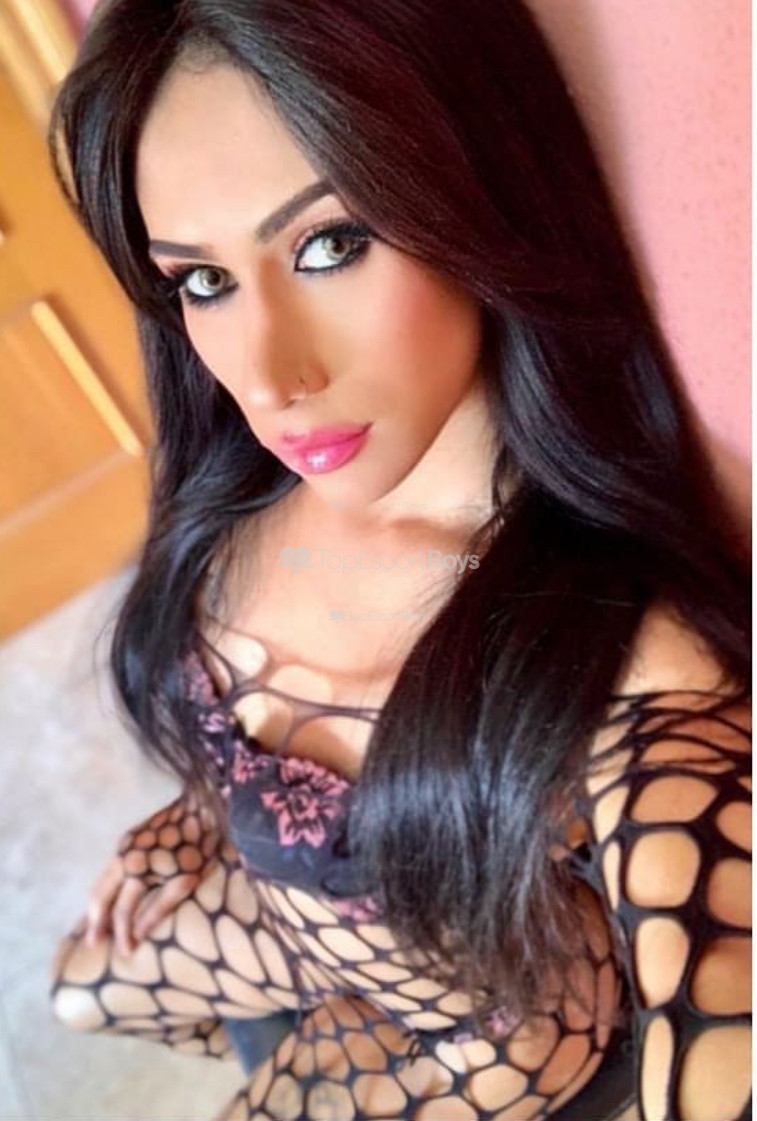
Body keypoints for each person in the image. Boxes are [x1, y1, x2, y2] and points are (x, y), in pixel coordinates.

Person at [47, 1, 751, 1118]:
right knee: (81, 989)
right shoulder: (243, 486)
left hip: (490, 1030)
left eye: (330, 244)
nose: (270, 377)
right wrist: (190, 819)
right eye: (202, 280)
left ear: (476, 196)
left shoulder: (625, 651)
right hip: (301, 927)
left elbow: (719, 983)